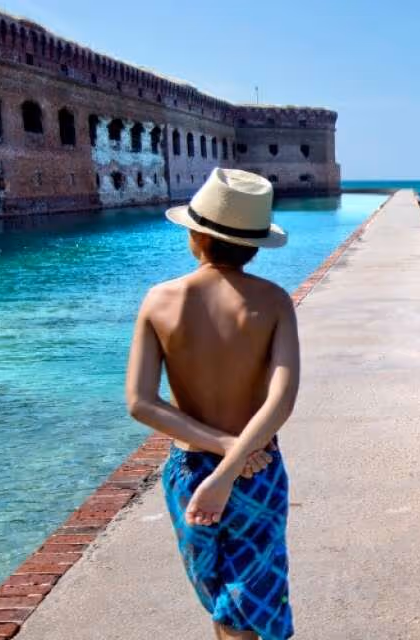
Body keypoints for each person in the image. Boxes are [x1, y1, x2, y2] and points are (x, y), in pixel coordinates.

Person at [125, 168, 300, 639]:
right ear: (255, 244)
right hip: (257, 466)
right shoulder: (273, 302)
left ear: (197, 236)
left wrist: (218, 458)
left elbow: (141, 403)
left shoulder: (160, 300)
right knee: (257, 591)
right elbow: (281, 401)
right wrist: (235, 458)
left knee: (222, 598)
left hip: (189, 470)